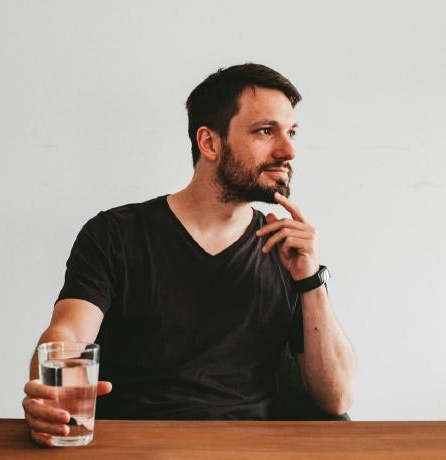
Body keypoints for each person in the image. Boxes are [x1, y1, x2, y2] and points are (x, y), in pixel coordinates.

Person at [22, 63, 356, 446]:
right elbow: (68, 331)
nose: (288, 150)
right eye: (266, 131)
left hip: (251, 448)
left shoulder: (288, 253)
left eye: (291, 132)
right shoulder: (116, 234)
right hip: (136, 448)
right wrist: (52, 397)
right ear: (209, 143)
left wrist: (310, 280)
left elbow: (338, 399)